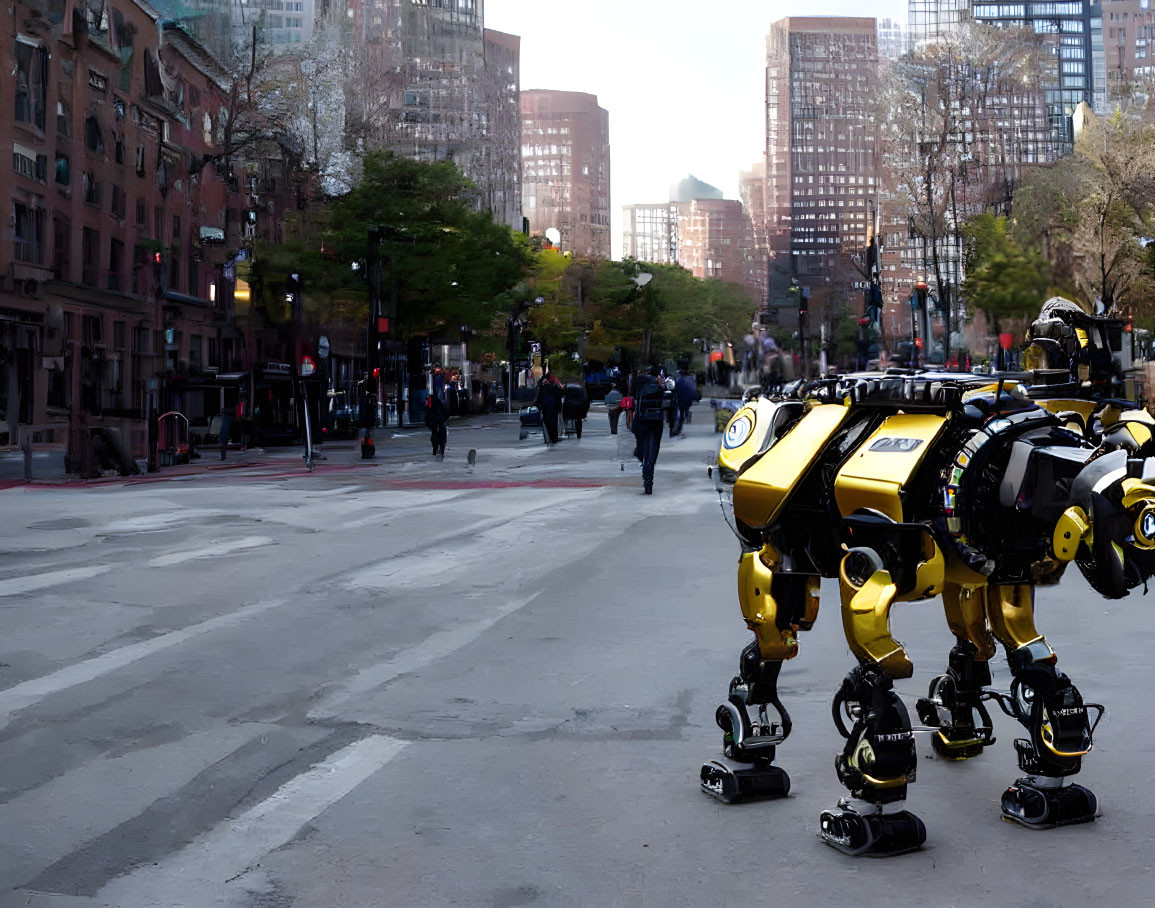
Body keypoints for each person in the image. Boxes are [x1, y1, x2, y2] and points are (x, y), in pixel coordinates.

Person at [631, 364, 671, 494]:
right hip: (655, 422)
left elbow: (632, 398)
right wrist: (662, 386)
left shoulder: (638, 382)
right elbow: (667, 401)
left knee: (641, 449)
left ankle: (645, 467)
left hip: (640, 420)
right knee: (652, 451)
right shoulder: (659, 386)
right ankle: (648, 479)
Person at [534, 371, 564, 444]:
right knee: (553, 421)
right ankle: (554, 437)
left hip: (545, 405)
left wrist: (538, 405)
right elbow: (560, 393)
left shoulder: (542, 384)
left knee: (547, 421)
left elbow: (538, 396)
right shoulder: (554, 384)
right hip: (553, 405)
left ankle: (550, 437)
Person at [425, 388, 449, 459]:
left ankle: (436, 451)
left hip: (437, 424)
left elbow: (428, 416)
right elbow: (445, 413)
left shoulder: (431, 404)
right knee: (440, 438)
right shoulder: (439, 403)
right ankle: (440, 451)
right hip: (439, 423)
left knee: (436, 438)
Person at [674, 370, 697, 435]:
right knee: (684, 411)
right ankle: (684, 419)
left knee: (681, 412)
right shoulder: (689, 380)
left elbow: (677, 389)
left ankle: (679, 427)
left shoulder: (680, 381)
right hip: (687, 398)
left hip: (682, 399)